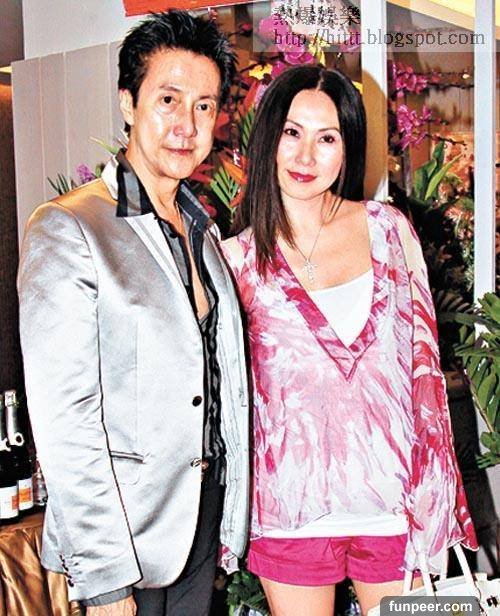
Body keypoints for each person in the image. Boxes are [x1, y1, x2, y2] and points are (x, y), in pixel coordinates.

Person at [221, 65, 477, 616]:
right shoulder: (235, 260)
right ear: (268, 138)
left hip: (395, 505)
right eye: (292, 132)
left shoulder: (388, 230)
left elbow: (424, 369)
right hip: (289, 510)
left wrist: (435, 495)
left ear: (347, 149)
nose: (305, 156)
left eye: (327, 138)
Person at [18, 10, 249, 616]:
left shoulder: (202, 231)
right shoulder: (70, 228)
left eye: (204, 106)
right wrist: (106, 579)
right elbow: (65, 422)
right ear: (128, 102)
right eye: (168, 99)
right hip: (122, 540)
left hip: (197, 524)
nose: (186, 124)